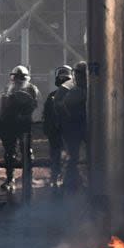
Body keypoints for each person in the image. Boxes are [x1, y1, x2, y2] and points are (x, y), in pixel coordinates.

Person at [0, 65, 39, 191]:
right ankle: (10, 179)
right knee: (10, 153)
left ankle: (26, 178)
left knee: (26, 151)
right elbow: (3, 108)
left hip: (24, 124)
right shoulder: (8, 89)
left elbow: (35, 106)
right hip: (10, 124)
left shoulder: (31, 89)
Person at [54, 62, 89, 191]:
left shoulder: (79, 90)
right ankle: (70, 181)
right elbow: (60, 107)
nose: (79, 77)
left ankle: (77, 181)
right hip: (74, 127)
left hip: (81, 126)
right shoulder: (72, 90)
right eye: (78, 74)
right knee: (73, 156)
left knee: (85, 155)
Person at [43, 65, 72, 188]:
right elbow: (47, 114)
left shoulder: (55, 95)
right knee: (58, 155)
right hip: (58, 131)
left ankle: (63, 178)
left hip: (67, 130)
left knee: (68, 155)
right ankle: (58, 177)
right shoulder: (52, 96)